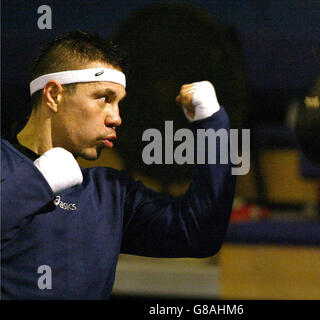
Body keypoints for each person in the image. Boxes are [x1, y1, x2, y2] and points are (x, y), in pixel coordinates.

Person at [1, 31, 236, 299]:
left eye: (119, 103)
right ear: (54, 95)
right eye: (104, 98)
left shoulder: (110, 194)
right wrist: (35, 183)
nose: (116, 118)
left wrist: (212, 126)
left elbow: (199, 234)